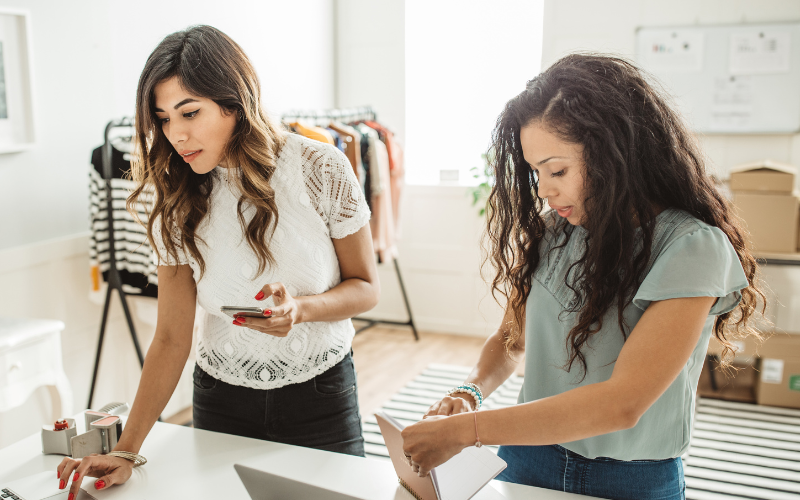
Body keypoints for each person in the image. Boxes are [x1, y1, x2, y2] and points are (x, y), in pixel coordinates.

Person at [399, 54, 764, 500]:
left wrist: (466, 431)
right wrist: (470, 390)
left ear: (616, 154)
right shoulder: (556, 233)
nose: (545, 190)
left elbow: (623, 404)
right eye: (536, 173)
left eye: (558, 170)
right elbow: (510, 340)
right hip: (526, 457)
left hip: (631, 479)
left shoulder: (691, 247)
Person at [56, 25, 379, 497]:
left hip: (321, 394)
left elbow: (366, 287)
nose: (177, 134)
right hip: (219, 397)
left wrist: (301, 310)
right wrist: (126, 449)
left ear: (235, 101)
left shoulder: (319, 166)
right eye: (163, 119)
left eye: (190, 112)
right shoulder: (173, 194)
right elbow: (170, 337)